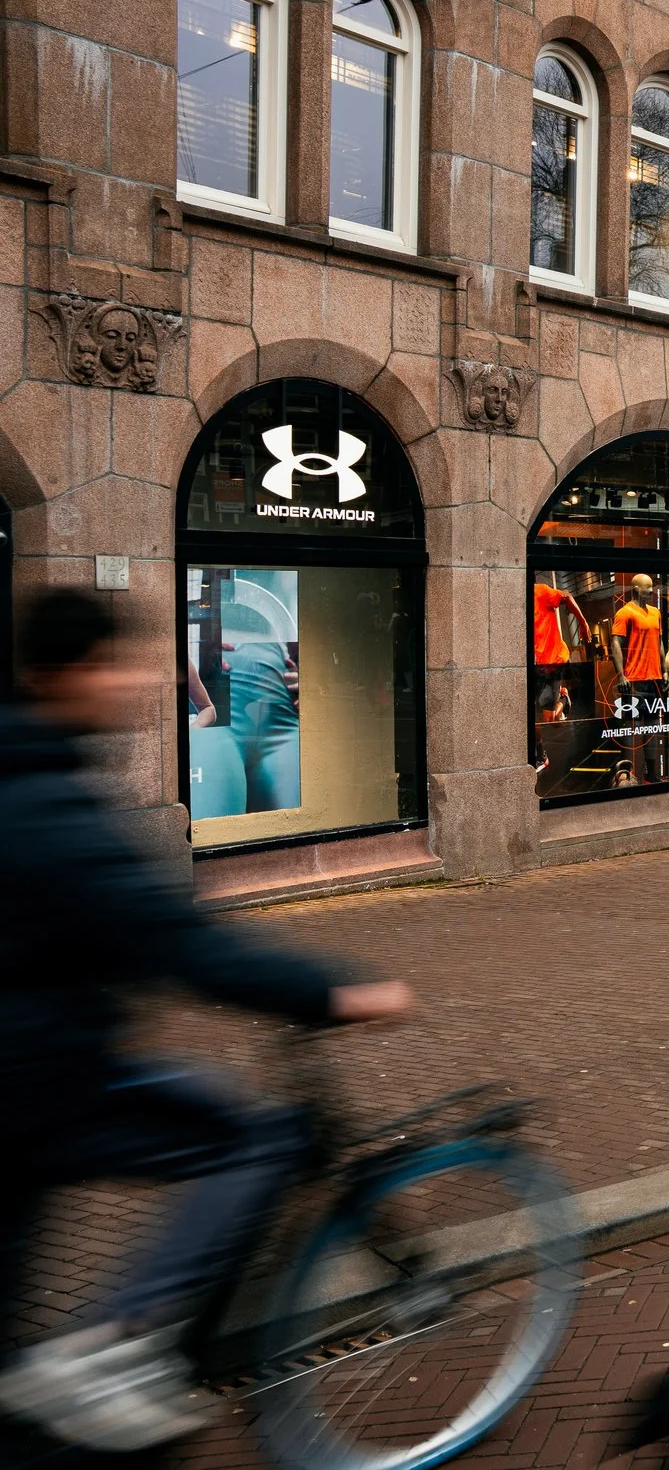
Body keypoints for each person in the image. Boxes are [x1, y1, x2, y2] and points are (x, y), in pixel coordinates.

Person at [0, 590, 413, 1452]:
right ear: (59, 676)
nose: (130, 680)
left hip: (42, 1065)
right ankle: (113, 1353)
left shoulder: (33, 773)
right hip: (41, 1076)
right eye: (109, 662)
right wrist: (333, 992)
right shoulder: (47, 803)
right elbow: (178, 945)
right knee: (247, 1139)